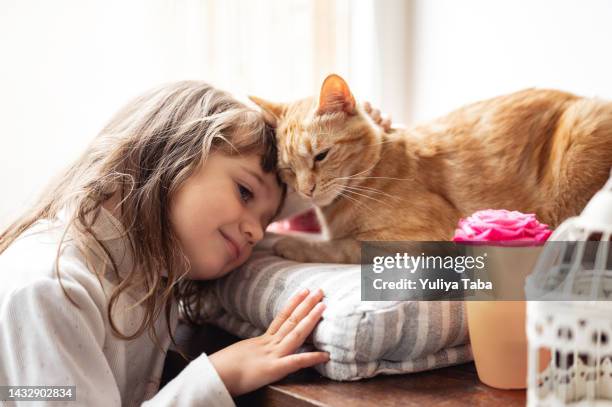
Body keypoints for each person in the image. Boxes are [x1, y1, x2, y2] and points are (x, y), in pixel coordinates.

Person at [0, 81, 329, 406]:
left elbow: (304, 189)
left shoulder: (143, 272)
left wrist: (357, 134)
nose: (257, 234)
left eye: (266, 222)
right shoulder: (52, 289)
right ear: (171, 152)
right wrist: (215, 378)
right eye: (244, 192)